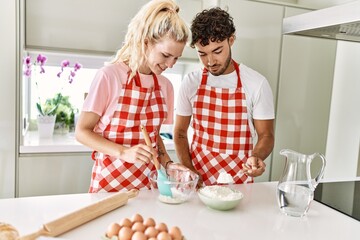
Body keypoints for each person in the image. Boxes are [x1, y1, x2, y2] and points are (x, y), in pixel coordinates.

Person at [75, 0, 190, 192]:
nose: (170, 65)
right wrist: (124, 152)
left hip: (148, 187)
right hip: (108, 187)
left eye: (176, 58)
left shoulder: (165, 86)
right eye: (165, 55)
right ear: (146, 42)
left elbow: (152, 137)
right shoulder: (110, 76)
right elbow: (82, 132)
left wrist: (168, 164)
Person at [174, 7, 275, 186]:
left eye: (217, 51)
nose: (210, 62)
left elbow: (266, 135)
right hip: (198, 181)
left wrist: (256, 157)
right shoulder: (191, 82)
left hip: (239, 183)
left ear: (231, 40)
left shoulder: (256, 83)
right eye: (202, 54)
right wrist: (189, 170)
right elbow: (180, 133)